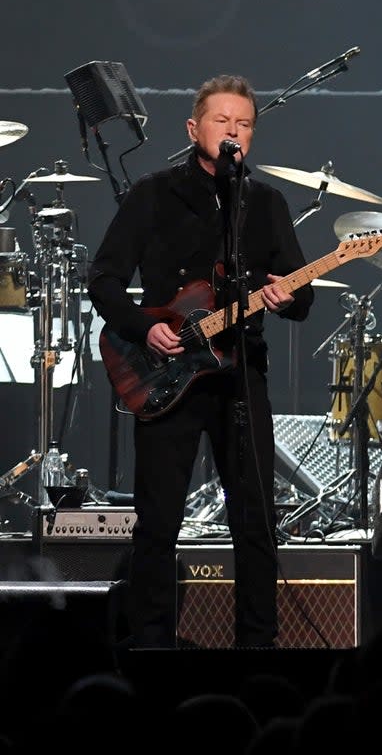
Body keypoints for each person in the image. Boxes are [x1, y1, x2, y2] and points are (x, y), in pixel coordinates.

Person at [88, 74, 314, 648]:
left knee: (256, 525)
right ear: (194, 129)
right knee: (159, 525)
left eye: (244, 124)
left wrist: (289, 295)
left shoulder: (266, 203)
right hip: (165, 376)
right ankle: (151, 649)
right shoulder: (154, 194)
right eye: (223, 121)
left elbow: (300, 297)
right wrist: (147, 327)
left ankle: (257, 652)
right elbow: (104, 280)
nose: (234, 131)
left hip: (239, 374)